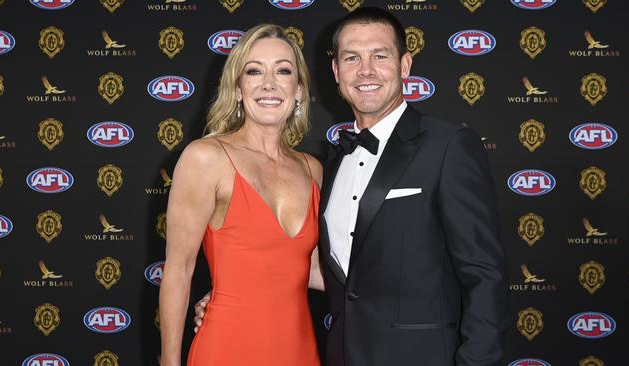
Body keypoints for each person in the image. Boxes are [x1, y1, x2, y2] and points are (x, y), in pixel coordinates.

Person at [196, 7, 509, 366]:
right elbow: (329, 271)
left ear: (405, 65)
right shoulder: (328, 165)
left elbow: (485, 276)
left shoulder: (449, 145)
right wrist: (228, 298)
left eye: (380, 55)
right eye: (351, 58)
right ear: (336, 71)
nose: (366, 71)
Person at [159, 24, 324, 366]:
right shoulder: (206, 158)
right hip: (227, 349)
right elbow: (179, 269)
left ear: (299, 90)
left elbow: (312, 271)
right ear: (236, 88)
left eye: (283, 70)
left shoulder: (313, 170)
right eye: (253, 71)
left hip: (300, 352)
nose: (268, 83)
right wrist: (170, 362)